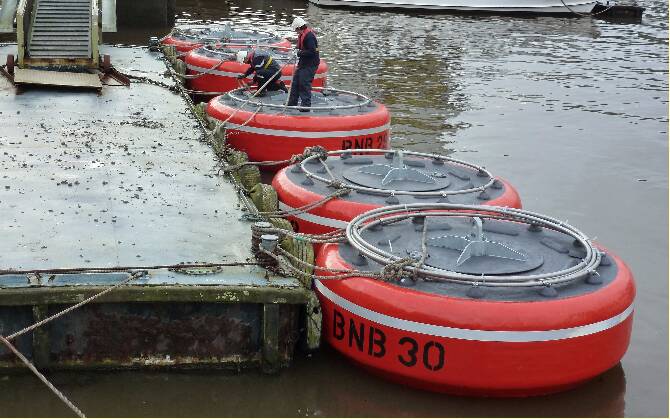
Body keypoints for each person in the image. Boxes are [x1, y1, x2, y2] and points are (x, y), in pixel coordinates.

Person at [287, 17, 320, 111]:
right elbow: (302, 47)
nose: (296, 32)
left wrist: (299, 53)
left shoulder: (309, 37)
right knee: (295, 82)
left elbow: (312, 52)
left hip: (310, 64)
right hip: (303, 63)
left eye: (296, 30)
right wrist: (297, 49)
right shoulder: (303, 35)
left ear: (299, 28)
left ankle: (306, 106)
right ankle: (292, 102)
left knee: (304, 83)